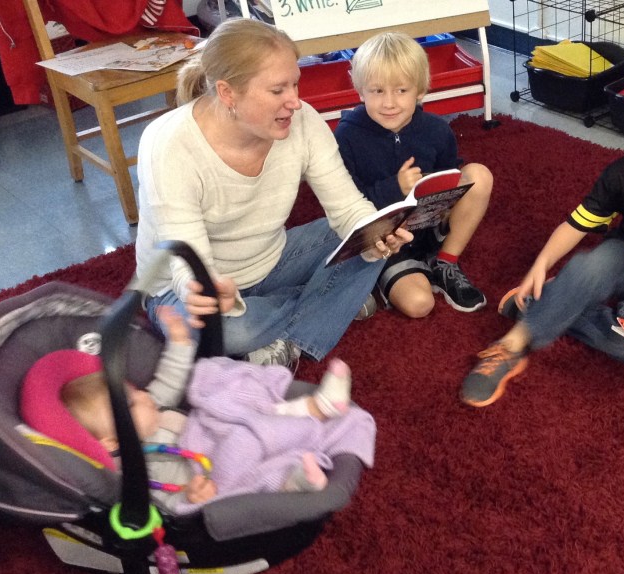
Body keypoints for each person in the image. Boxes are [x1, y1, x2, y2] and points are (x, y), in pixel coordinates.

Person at [134, 18, 411, 371]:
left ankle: (285, 333)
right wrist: (204, 288)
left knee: (369, 232)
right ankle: (320, 308)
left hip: (271, 258)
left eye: (296, 84)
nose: (295, 102)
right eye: (278, 90)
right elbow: (187, 261)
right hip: (184, 287)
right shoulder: (168, 144)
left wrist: (376, 234)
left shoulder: (304, 121)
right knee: (227, 332)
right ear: (227, 93)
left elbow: (347, 208)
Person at [460, 75, 624, 407]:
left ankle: (544, 307)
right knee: (589, 267)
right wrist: (541, 263)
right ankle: (512, 344)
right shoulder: (623, 175)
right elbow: (576, 224)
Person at [57, 309, 362, 511]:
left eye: (135, 392)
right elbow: (161, 500)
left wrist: (178, 341)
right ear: (112, 441)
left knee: (229, 390)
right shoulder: (139, 467)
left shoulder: (153, 403)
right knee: (252, 456)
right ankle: (295, 481)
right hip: (216, 472)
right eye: (133, 403)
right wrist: (191, 495)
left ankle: (316, 407)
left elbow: (170, 377)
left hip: (213, 434)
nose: (144, 397)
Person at [334, 31, 493, 317]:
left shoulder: (436, 129)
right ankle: (386, 277)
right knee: (420, 304)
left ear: (420, 90)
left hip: (430, 225)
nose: (389, 103)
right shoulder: (346, 136)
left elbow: (452, 174)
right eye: (377, 91)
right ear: (360, 91)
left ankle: (446, 262)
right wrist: (395, 187)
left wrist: (445, 205)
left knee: (479, 175)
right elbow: (346, 202)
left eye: (401, 90)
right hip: (386, 241)